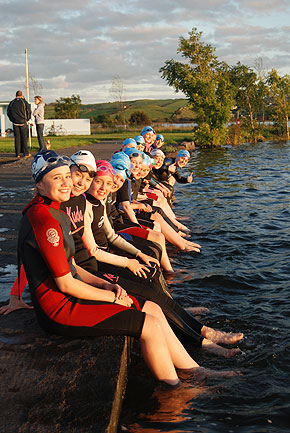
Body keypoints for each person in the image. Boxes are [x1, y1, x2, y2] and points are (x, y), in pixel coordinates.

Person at [17, 149, 238, 386]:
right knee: (150, 325)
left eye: (65, 176)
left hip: (73, 294)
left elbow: (70, 265)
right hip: (61, 310)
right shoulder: (44, 219)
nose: (65, 183)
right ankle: (178, 389)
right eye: (56, 178)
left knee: (152, 307)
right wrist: (110, 297)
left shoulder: (54, 209)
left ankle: (195, 370)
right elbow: (65, 282)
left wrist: (105, 284)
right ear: (39, 184)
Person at [7, 90, 31, 158]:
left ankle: (17, 153)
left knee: (17, 138)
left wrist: (12, 119)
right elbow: (28, 111)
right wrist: (27, 119)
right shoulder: (24, 102)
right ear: (22, 95)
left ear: (15, 95)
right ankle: (25, 153)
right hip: (23, 122)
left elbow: (8, 112)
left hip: (15, 123)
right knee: (24, 138)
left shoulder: (12, 103)